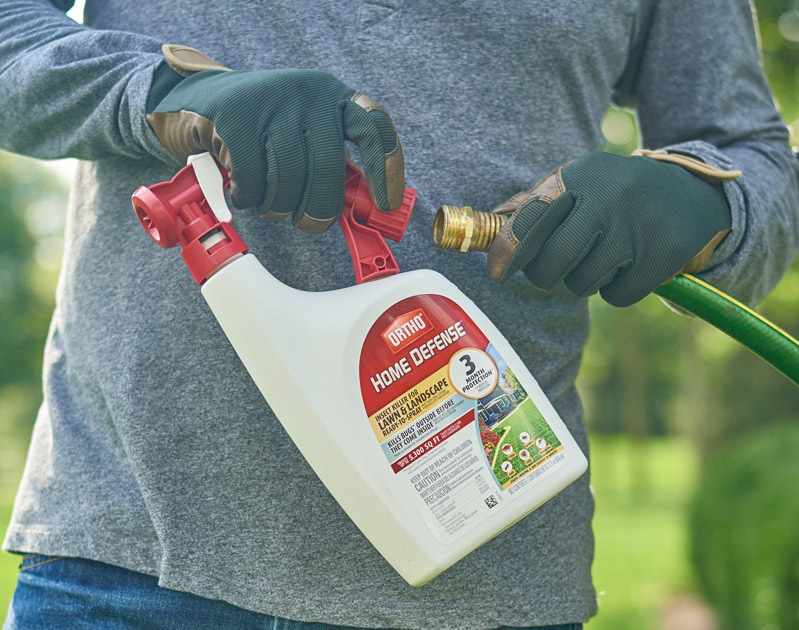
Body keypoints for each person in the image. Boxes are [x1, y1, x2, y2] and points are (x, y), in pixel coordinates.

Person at [2, 0, 797, 628]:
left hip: (487, 583)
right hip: (127, 565)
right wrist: (164, 91)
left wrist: (701, 200)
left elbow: (754, 156)